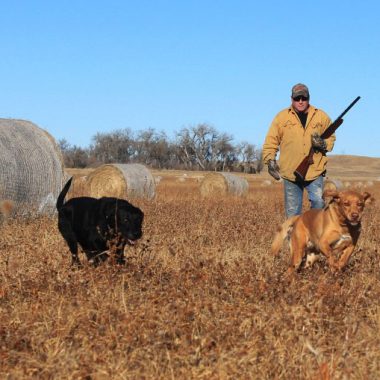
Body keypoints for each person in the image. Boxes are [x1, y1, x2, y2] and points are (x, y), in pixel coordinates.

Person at [262, 83, 336, 218]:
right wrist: (270, 160)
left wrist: (323, 144)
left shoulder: (321, 116)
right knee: (292, 214)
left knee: (318, 204)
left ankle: (314, 236)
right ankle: (293, 238)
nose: (301, 101)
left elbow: (331, 137)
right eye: (297, 98)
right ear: (292, 99)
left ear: (309, 98)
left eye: (304, 98)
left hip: (315, 170)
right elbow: (271, 140)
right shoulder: (281, 117)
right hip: (291, 172)